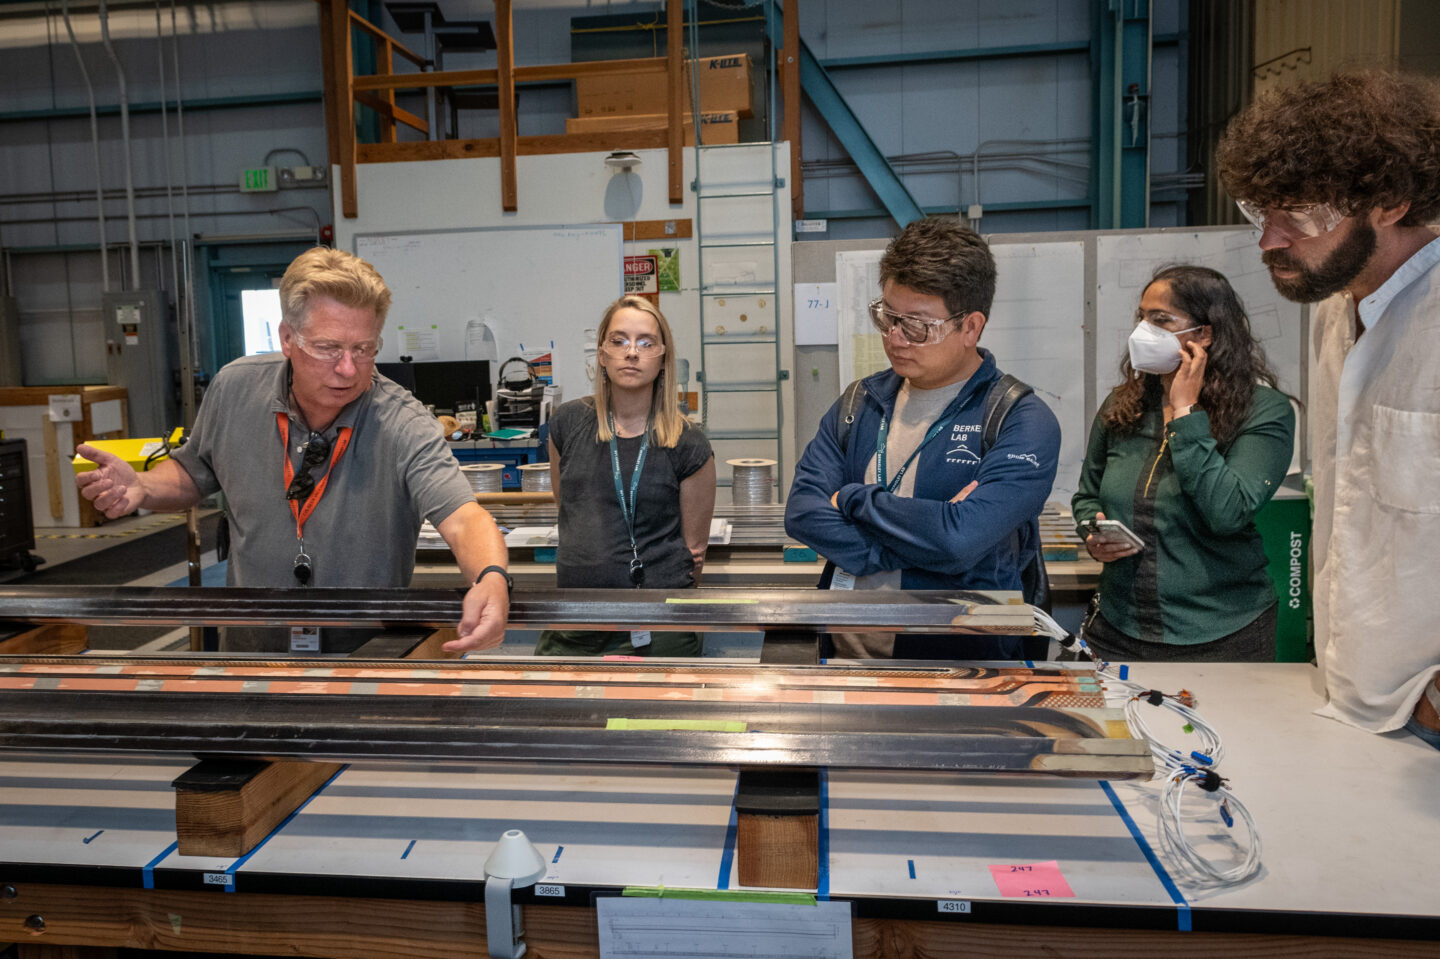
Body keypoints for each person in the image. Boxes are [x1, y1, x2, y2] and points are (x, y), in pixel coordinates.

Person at [75, 247, 510, 655]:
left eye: (363, 349)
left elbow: (463, 517)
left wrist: (491, 577)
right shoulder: (235, 389)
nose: (347, 368)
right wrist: (143, 485)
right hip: (251, 650)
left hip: (363, 655)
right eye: (328, 348)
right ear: (288, 338)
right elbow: (194, 472)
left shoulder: (402, 422)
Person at [1217, 70, 1440, 749]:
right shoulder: (1333, 313)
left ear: (1392, 200)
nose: (1269, 241)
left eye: (1302, 216)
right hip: (1347, 697)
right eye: (1261, 213)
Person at [785, 217, 1061, 660]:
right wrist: (908, 546)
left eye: (917, 325)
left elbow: (959, 541)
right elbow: (802, 512)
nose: (894, 338)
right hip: (848, 649)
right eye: (887, 316)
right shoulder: (860, 402)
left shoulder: (1019, 419)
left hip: (965, 661)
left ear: (970, 327)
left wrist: (854, 500)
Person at [1072, 265, 1295, 661]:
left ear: (1204, 334)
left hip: (1221, 635)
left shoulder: (1264, 412)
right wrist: (1094, 533)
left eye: (1160, 320)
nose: (1143, 330)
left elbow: (1227, 512)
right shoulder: (1122, 406)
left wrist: (1185, 411)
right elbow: (1088, 496)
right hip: (1119, 626)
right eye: (1141, 317)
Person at [537, 295, 716, 656]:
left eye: (645, 342)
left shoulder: (689, 443)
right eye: (618, 341)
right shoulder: (567, 425)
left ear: (663, 358)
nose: (631, 352)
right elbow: (568, 509)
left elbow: (694, 552)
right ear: (602, 354)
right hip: (577, 616)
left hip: (658, 619)